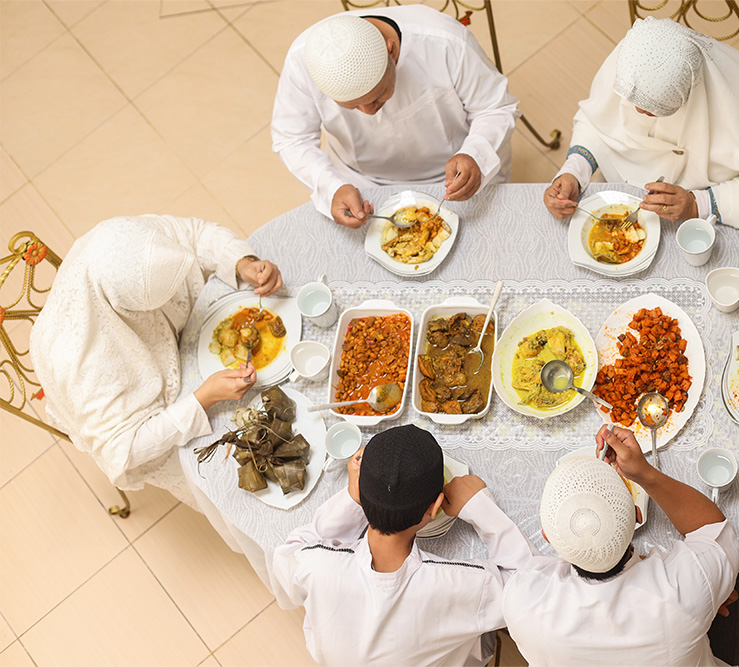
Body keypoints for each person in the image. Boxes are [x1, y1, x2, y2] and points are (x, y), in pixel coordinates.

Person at [30, 215, 282, 506]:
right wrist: (202, 399)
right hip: (144, 421)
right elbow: (124, 450)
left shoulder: (125, 240)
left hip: (189, 347)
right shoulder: (82, 361)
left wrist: (242, 261)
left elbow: (196, 235)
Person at [271, 424, 536, 666]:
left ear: (361, 490)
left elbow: (286, 558)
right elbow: (532, 591)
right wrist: (479, 506)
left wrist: (351, 500)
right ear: (434, 508)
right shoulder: (464, 583)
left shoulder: (314, 564)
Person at [503, 426, 739, 665]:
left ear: (547, 536)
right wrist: (644, 474)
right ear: (638, 515)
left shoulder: (523, 605)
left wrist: (705, 592)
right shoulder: (683, 592)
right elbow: (714, 532)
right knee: (737, 582)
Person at [544, 17, 739, 230]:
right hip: (624, 185)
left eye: (652, 111)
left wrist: (698, 204)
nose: (635, 110)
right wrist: (574, 172)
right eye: (632, 100)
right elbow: (598, 121)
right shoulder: (631, 60)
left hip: (715, 202)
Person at [272, 7, 520, 228]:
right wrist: (331, 187)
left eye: (376, 98)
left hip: (456, 172)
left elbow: (495, 108)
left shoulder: (445, 43)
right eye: (352, 107)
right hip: (360, 181)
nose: (369, 113)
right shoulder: (302, 61)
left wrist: (476, 155)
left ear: (390, 51)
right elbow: (293, 139)